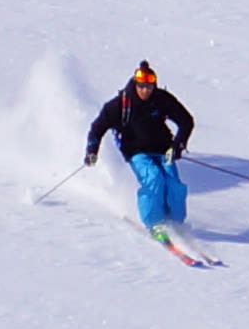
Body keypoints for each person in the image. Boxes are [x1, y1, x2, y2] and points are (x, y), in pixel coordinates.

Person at [83, 62, 197, 233]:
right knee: (154, 178)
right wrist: (92, 151)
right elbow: (97, 128)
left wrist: (178, 145)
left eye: (149, 87)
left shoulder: (161, 99)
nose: (145, 91)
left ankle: (176, 222)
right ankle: (154, 222)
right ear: (135, 85)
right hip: (136, 151)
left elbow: (186, 121)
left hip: (163, 150)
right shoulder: (120, 105)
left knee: (173, 183)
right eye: (142, 86)